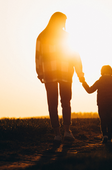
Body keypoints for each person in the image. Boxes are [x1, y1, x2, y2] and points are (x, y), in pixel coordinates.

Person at [36, 12, 85, 142]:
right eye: (64, 21)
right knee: (65, 103)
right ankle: (64, 132)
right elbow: (75, 57)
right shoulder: (47, 36)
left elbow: (38, 56)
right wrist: (80, 74)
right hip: (62, 73)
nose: (64, 24)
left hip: (57, 73)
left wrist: (40, 72)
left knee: (54, 104)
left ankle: (60, 133)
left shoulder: (42, 36)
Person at [81, 65, 112, 143]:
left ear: (102, 72)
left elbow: (90, 90)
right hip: (110, 103)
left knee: (103, 120)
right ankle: (109, 137)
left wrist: (84, 83)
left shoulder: (99, 81)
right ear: (111, 72)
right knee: (110, 120)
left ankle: (105, 135)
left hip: (101, 103)